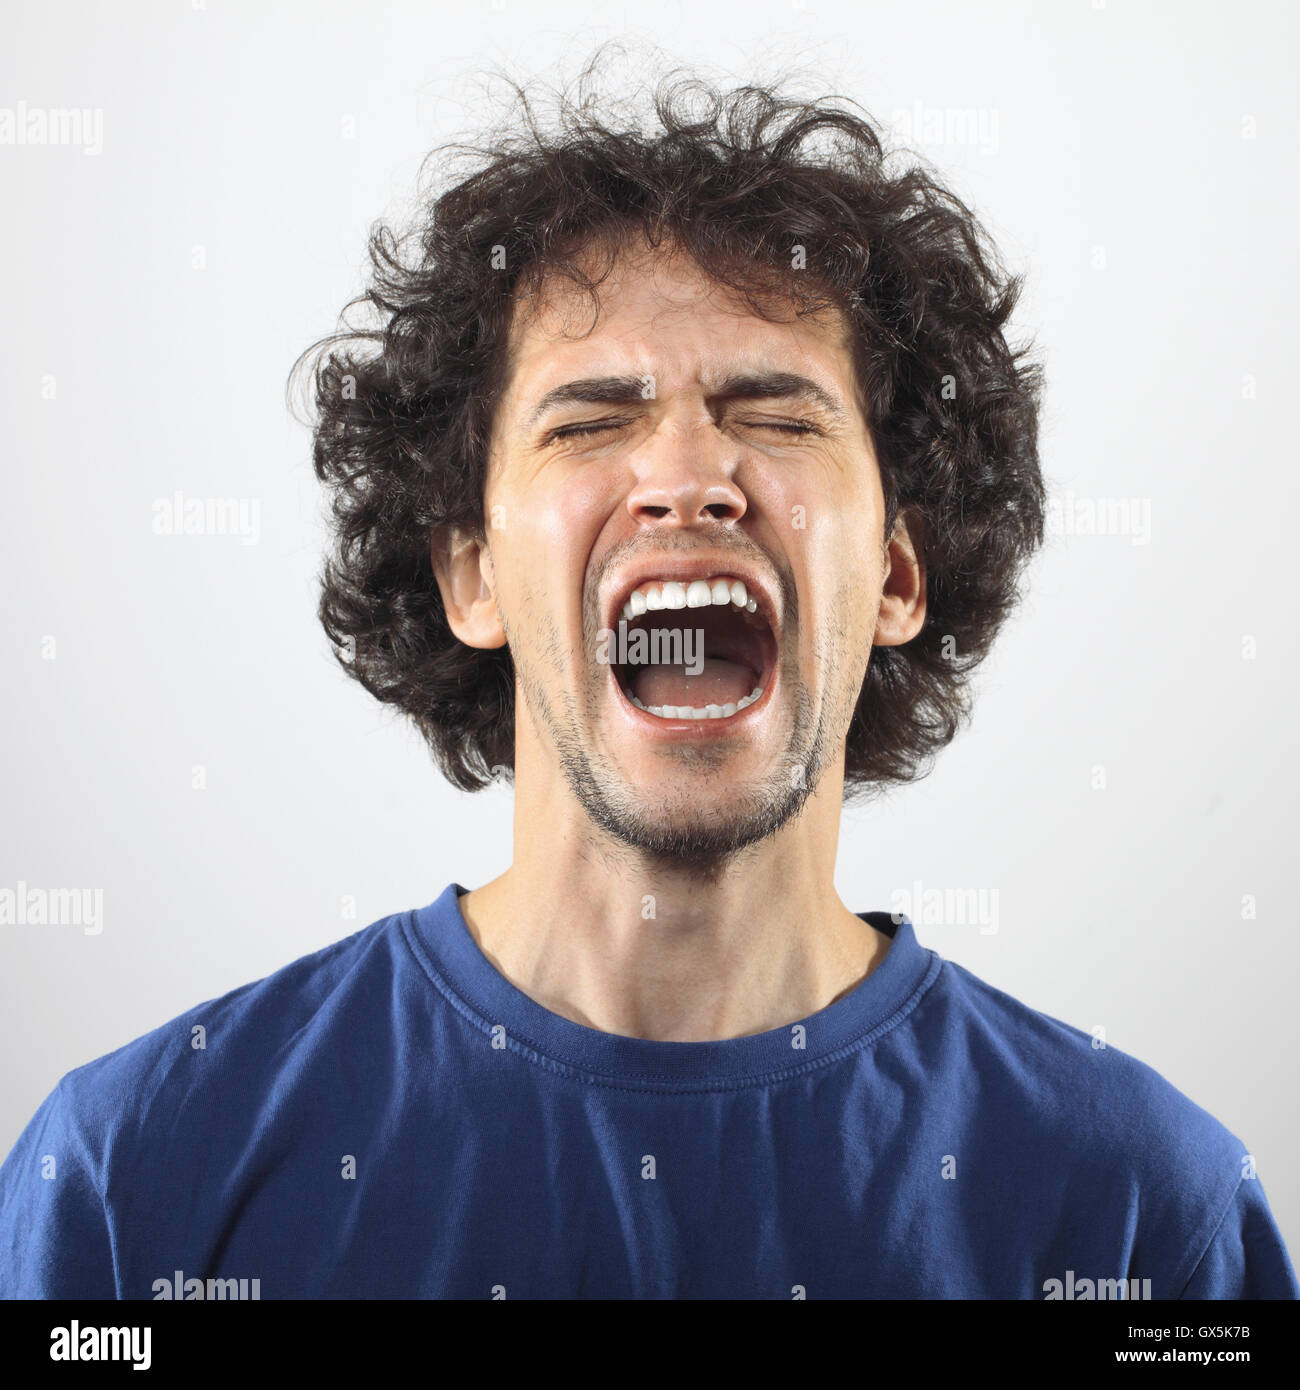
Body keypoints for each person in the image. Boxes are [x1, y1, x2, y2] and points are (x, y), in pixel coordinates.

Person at [2, 62, 1295, 1300]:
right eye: (590, 417)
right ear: (473, 577)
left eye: (780, 414)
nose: (688, 470)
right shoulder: (134, 1180)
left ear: (902, 575)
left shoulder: (1142, 1213)